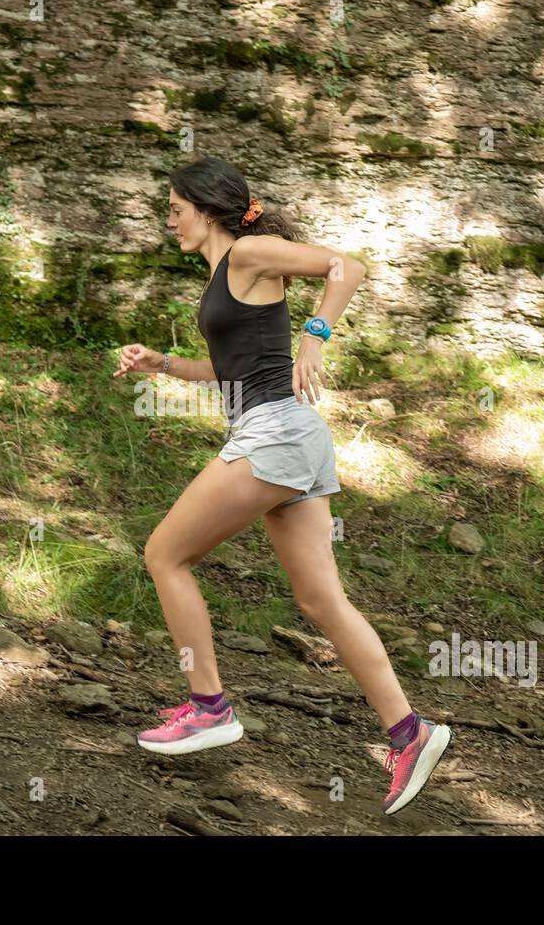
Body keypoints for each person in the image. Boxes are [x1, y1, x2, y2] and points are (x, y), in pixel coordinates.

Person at [111, 156, 451, 815]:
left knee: (165, 555)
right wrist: (163, 364)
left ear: (205, 207)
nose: (168, 219)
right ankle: (411, 734)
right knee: (321, 601)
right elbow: (229, 369)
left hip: (274, 436)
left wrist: (315, 338)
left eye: (174, 207)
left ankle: (209, 706)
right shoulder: (227, 271)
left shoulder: (249, 251)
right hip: (288, 434)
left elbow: (346, 266)